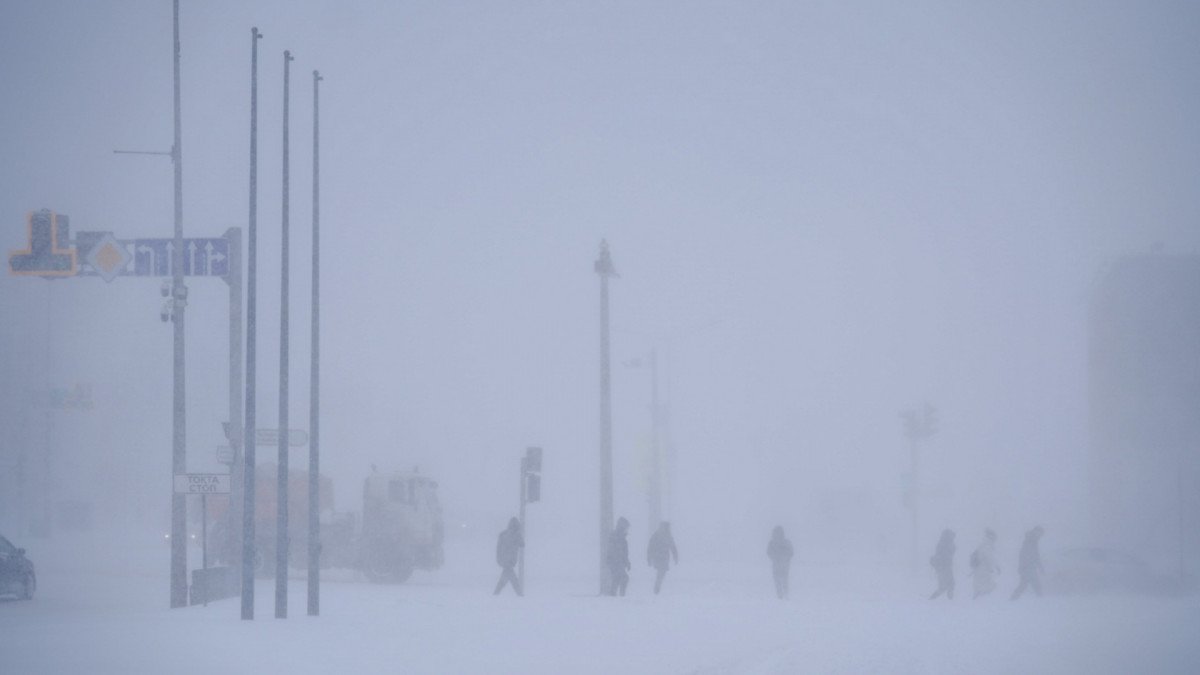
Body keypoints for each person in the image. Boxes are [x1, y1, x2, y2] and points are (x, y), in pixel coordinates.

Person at [1010, 526, 1045, 600]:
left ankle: (1012, 599)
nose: (1040, 536)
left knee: (1024, 585)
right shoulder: (1031, 541)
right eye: (1040, 533)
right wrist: (1023, 567)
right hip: (1028, 568)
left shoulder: (1032, 540)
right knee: (1034, 585)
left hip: (1028, 567)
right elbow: (1032, 555)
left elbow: (1034, 555)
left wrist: (1039, 567)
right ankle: (1041, 601)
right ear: (1036, 532)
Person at [493, 516, 524, 596]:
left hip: (503, 560)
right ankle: (520, 595)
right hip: (510, 561)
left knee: (506, 578)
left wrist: (499, 559)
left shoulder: (503, 534)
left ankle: (496, 594)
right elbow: (522, 544)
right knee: (512, 579)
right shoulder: (515, 535)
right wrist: (519, 534)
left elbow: (498, 548)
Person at [646, 522, 679, 594]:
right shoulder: (660, 535)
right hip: (660, 558)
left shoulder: (660, 535)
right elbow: (673, 547)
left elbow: (673, 547)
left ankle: (657, 589)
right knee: (661, 573)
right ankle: (656, 589)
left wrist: (649, 558)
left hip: (661, 558)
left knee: (661, 573)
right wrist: (649, 558)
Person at [970, 528, 1000, 599]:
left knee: (980, 586)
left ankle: (976, 601)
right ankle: (980, 602)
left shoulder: (983, 544)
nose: (995, 540)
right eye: (994, 537)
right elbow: (990, 558)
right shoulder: (987, 545)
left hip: (980, 569)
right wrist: (996, 567)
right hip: (983, 569)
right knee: (987, 586)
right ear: (991, 537)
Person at [606, 517, 631, 596]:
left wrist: (627, 562)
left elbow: (623, 552)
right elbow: (616, 551)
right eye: (626, 527)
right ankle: (620, 596)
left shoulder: (621, 537)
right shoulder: (617, 536)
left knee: (617, 579)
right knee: (624, 578)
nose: (627, 529)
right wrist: (621, 561)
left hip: (617, 562)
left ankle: (614, 596)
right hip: (616, 562)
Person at [767, 525, 794, 599]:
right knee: (779, 580)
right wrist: (774, 557)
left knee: (782, 580)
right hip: (779, 564)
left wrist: (784, 558)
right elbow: (769, 552)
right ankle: (781, 595)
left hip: (782, 565)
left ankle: (783, 595)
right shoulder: (773, 543)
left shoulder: (782, 542)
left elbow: (791, 553)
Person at [929, 529, 956, 600]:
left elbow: (947, 555)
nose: (953, 538)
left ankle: (950, 602)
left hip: (944, 567)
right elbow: (944, 555)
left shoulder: (944, 543)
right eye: (952, 536)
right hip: (943, 567)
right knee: (946, 586)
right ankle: (931, 600)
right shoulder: (944, 544)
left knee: (950, 585)